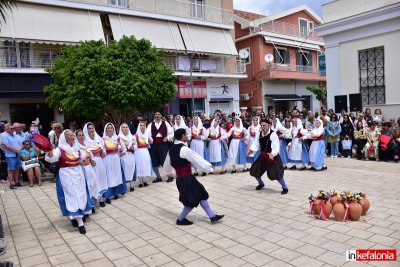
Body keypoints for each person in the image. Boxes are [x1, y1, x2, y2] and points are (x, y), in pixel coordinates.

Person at [164, 129, 224, 225]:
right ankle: (180, 219)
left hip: (182, 179)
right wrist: (211, 169)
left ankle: (212, 216)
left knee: (201, 193)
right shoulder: (184, 149)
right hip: (186, 178)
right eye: (186, 135)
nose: (187, 136)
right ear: (183, 136)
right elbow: (197, 159)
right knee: (191, 200)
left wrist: (168, 172)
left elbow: (167, 163)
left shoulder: (171, 149)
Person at [45, 130, 92, 234]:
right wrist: (49, 151)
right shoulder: (60, 149)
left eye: (73, 135)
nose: (73, 137)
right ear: (65, 138)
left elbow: (84, 158)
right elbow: (50, 158)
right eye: (70, 135)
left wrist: (85, 162)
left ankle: (77, 217)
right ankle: (80, 222)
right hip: (66, 175)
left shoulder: (77, 148)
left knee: (80, 194)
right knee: (72, 196)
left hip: (78, 173)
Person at [247, 119, 289, 194]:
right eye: (261, 125)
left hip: (272, 156)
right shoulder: (259, 133)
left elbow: (276, 147)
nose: (262, 127)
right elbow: (256, 143)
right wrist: (251, 150)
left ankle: (285, 187)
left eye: (264, 125)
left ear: (268, 125)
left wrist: (272, 154)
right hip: (263, 156)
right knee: (255, 171)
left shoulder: (273, 134)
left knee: (276, 173)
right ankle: (261, 184)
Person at [75, 130, 101, 214]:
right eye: (79, 135)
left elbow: (90, 156)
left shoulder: (86, 145)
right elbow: (76, 159)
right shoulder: (76, 148)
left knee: (93, 184)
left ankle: (92, 205)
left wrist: (92, 160)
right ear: (76, 137)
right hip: (83, 170)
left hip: (90, 168)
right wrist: (82, 163)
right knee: (87, 186)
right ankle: (88, 205)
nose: (81, 137)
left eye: (82, 135)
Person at [83, 123, 109, 207]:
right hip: (91, 164)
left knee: (101, 179)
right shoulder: (84, 141)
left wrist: (103, 153)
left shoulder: (99, 139)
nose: (91, 130)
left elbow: (104, 150)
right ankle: (93, 202)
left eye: (92, 128)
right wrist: (90, 160)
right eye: (89, 128)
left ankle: (101, 199)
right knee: (93, 181)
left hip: (100, 162)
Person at [146, 112, 173, 183]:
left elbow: (172, 133)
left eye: (159, 114)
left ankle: (169, 176)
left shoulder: (166, 123)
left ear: (161, 116)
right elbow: (147, 134)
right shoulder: (150, 124)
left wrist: (167, 137)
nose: (157, 116)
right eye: (156, 114)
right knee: (154, 161)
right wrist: (150, 139)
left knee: (165, 160)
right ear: (154, 116)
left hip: (163, 144)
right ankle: (158, 177)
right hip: (154, 145)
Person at [103, 123, 127, 202]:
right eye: (108, 128)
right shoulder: (103, 139)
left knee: (116, 176)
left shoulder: (117, 138)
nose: (110, 129)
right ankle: (107, 196)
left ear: (113, 129)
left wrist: (123, 152)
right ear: (106, 130)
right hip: (107, 159)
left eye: (111, 128)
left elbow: (124, 148)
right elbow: (101, 151)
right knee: (109, 177)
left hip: (116, 159)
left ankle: (116, 193)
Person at [2, 124, 22, 189]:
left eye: (13, 128)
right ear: (7, 129)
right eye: (11, 128)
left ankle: (17, 182)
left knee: (17, 169)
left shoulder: (15, 135)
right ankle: (11, 184)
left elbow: (20, 144)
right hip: (10, 156)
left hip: (17, 155)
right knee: (10, 170)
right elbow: (7, 146)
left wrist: (19, 149)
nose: (13, 129)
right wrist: (16, 150)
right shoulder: (4, 136)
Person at [119, 123, 137, 192]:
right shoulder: (118, 137)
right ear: (121, 129)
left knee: (132, 169)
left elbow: (136, 146)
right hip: (123, 156)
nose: (125, 128)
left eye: (126, 127)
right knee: (124, 170)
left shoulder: (132, 137)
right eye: (123, 127)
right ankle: (125, 186)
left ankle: (132, 185)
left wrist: (133, 147)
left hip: (131, 155)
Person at [135, 122, 152, 187]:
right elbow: (133, 144)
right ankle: (140, 182)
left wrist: (150, 140)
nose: (142, 127)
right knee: (139, 165)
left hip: (145, 151)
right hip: (138, 151)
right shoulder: (136, 135)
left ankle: (145, 181)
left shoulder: (147, 134)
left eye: (144, 125)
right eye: (141, 125)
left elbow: (150, 141)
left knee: (145, 165)